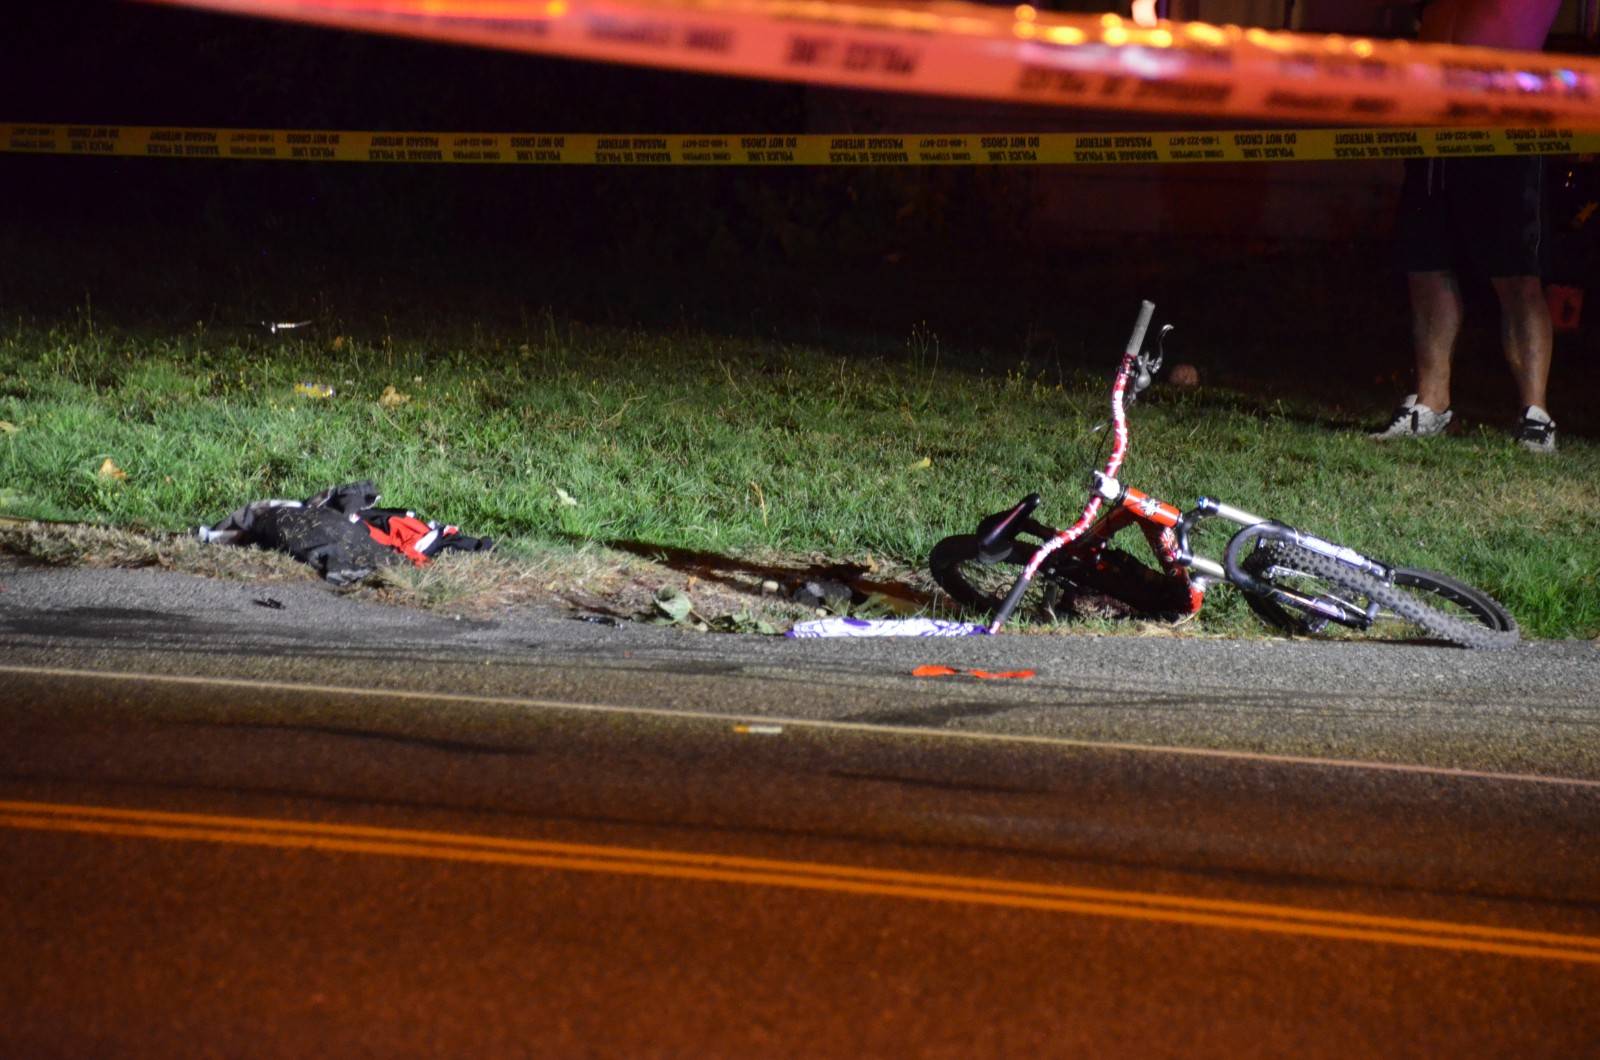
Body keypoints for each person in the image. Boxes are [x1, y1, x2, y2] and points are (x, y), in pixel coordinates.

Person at [1371, 0, 1564, 453]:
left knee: (1517, 272)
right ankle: (1431, 404)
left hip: (1505, 112)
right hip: (1435, 112)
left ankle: (1536, 416)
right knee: (1426, 262)